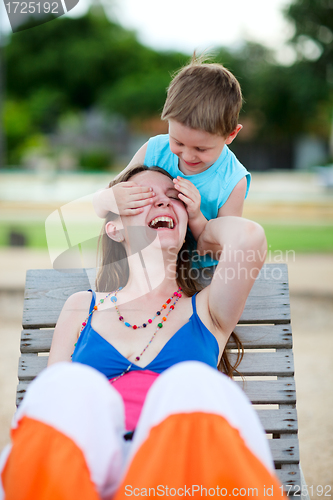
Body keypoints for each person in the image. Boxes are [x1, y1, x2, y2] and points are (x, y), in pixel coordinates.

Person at [0, 166, 284, 500]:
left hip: (176, 475)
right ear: (115, 229)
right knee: (66, 384)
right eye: (141, 198)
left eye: (174, 197)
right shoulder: (82, 307)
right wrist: (104, 199)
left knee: (193, 382)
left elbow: (249, 238)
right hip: (89, 475)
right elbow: (50, 409)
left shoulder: (208, 311)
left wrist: (200, 224)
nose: (163, 203)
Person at [93, 56, 251, 279]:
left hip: (200, 274)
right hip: (146, 267)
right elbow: (105, 202)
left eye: (201, 148)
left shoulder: (233, 180)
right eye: (177, 142)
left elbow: (223, 249)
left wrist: (195, 216)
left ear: (231, 134)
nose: (187, 155)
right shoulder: (155, 150)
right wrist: (108, 198)